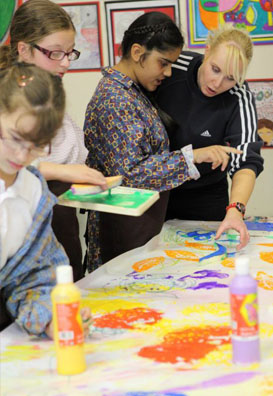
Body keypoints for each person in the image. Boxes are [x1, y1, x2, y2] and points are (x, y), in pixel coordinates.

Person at [84, 12, 241, 272]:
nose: (168, 73)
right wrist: (193, 156)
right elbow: (132, 174)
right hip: (121, 228)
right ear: (137, 52)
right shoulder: (115, 99)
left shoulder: (134, 92)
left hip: (140, 223)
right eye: (163, 63)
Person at [0, 0, 107, 281]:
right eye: (55, 53)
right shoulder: (7, 99)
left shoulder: (49, 90)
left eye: (70, 53)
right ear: (23, 49)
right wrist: (61, 170)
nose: (66, 62)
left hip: (57, 226)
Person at [0, 63, 91, 337]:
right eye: (16, 138)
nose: (21, 155)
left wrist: (49, 319)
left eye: (38, 145)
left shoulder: (33, 190)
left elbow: (35, 275)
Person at [155, 24, 264, 250]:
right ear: (207, 50)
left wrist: (236, 209)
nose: (218, 83)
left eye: (230, 78)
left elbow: (245, 160)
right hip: (156, 190)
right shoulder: (173, 67)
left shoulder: (239, 95)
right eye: (215, 69)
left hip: (205, 197)